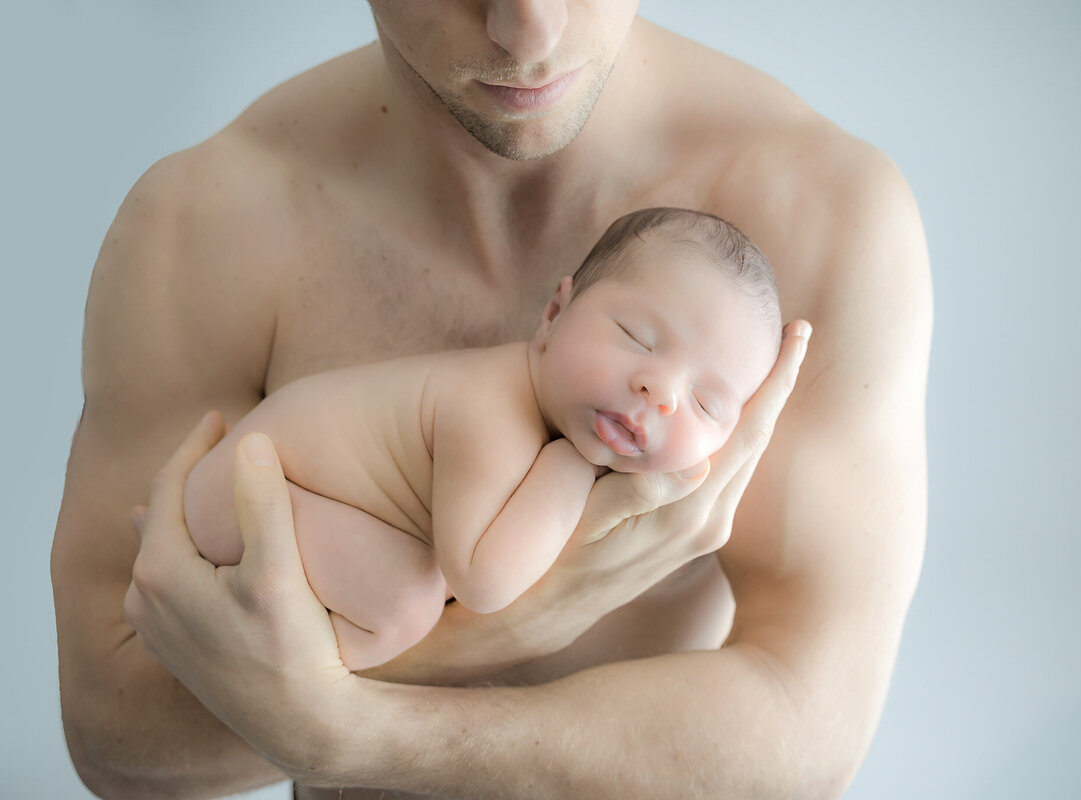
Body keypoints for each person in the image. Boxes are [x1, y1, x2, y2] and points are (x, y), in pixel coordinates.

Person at [51, 3, 931, 799]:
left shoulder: (820, 209)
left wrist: (351, 732)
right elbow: (114, 737)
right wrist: (511, 625)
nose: (529, 31)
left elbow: (812, 726)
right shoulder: (208, 223)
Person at [184, 207, 784, 670]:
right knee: (405, 603)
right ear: (554, 312)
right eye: (637, 336)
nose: (661, 392)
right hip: (253, 493)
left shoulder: (535, 406)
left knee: (408, 588)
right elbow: (484, 582)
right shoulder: (490, 408)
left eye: (706, 403)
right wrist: (568, 469)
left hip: (274, 495)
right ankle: (286, 689)